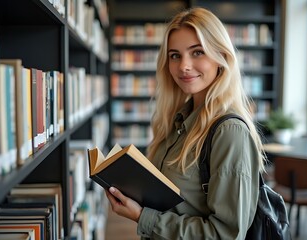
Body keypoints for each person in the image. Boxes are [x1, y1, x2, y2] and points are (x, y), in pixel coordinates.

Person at [105, 7, 266, 240]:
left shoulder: (229, 132)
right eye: (175, 55)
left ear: (220, 56)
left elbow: (225, 235)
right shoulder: (177, 120)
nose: (183, 66)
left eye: (197, 52)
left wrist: (143, 217)